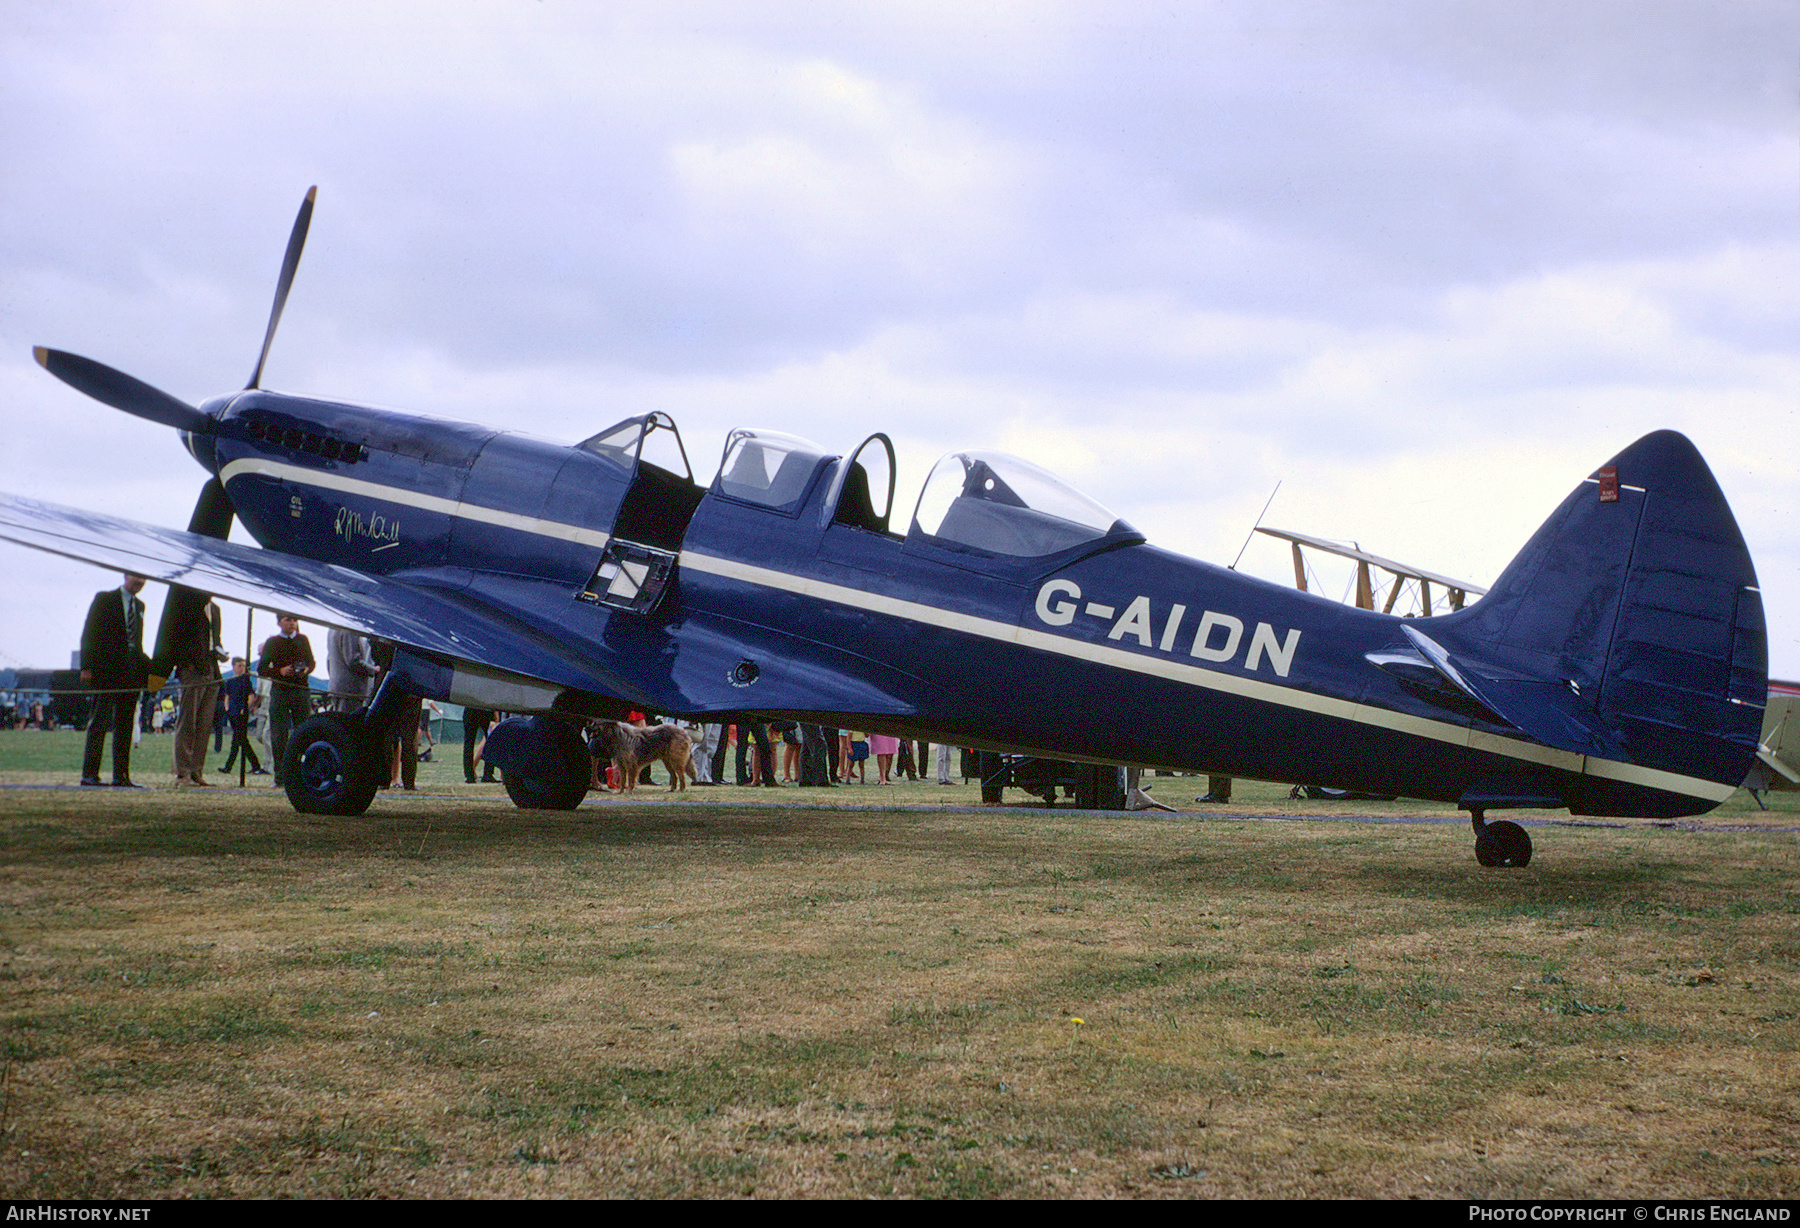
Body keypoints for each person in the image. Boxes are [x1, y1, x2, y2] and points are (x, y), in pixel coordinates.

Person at [80, 573, 150, 787]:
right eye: (137, 577)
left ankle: (122, 776)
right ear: (126, 575)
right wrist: (86, 667)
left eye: (144, 579)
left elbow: (137, 642)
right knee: (100, 721)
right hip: (106, 670)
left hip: (131, 672)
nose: (140, 582)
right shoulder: (104, 599)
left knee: (126, 724)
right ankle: (89, 774)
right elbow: (89, 633)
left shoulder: (140, 606)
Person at [170, 597, 225, 787]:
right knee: (187, 722)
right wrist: (188, 664)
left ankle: (196, 772)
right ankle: (182, 773)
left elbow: (214, 640)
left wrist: (220, 652)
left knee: (204, 724)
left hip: (212, 669)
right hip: (192, 671)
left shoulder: (215, 609)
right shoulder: (187, 605)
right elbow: (176, 638)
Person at [258, 612, 316, 786]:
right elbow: (262, 669)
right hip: (280, 692)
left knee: (303, 731)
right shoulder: (272, 642)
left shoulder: (303, 639)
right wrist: (279, 671)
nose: (292, 623)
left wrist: (306, 669)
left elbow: (312, 662)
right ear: (279, 623)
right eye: (288, 620)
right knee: (279, 734)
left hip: (300, 690)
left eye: (295, 620)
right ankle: (280, 776)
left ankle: (304, 774)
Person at [219, 657, 265, 776]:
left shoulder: (246, 680)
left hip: (241, 713)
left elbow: (251, 696)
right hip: (232, 713)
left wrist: (247, 708)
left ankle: (229, 766)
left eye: (243, 666)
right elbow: (227, 696)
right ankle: (255, 765)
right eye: (239, 665)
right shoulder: (229, 681)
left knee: (238, 740)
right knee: (241, 741)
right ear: (233, 667)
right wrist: (227, 709)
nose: (242, 668)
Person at [326, 628, 378, 712]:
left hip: (337, 687)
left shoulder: (332, 629)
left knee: (338, 720)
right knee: (348, 722)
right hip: (350, 690)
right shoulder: (350, 630)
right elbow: (353, 660)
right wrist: (373, 669)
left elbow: (329, 659)